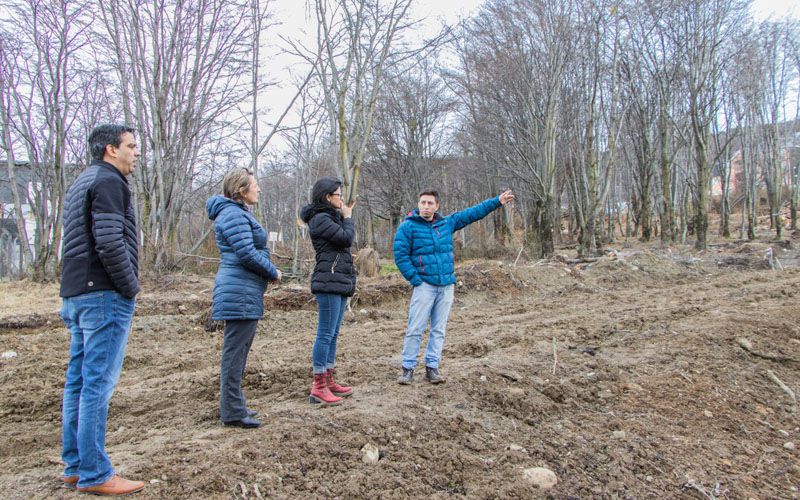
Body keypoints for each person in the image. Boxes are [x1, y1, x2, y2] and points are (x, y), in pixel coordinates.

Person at [59, 124, 145, 495]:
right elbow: (110, 241)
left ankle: (76, 465)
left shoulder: (83, 180)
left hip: (76, 291)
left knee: (78, 382)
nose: (137, 152)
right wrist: (130, 287)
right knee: (96, 384)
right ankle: (95, 473)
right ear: (111, 149)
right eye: (131, 145)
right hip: (103, 293)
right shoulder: (110, 182)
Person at [394, 189, 515, 385]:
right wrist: (416, 279)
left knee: (438, 329)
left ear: (437, 206)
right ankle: (407, 369)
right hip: (424, 285)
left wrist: (497, 202)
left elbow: (472, 213)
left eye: (430, 203)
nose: (426, 206)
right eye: (423, 203)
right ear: (418, 205)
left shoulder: (446, 223)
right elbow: (400, 256)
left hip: (446, 285)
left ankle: (432, 367)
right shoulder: (407, 227)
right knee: (415, 328)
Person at [206, 168, 281, 428]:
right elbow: (247, 253)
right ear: (241, 190)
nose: (258, 189)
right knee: (235, 354)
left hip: (245, 290)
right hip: (239, 291)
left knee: (239, 352)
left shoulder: (237, 213)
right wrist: (273, 272)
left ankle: (236, 407)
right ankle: (233, 412)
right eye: (255, 185)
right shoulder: (232, 214)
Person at [299, 178, 356, 406]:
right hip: (328, 281)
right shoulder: (320, 219)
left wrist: (343, 216)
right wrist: (348, 217)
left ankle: (329, 378)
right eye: (338, 195)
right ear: (327, 197)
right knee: (325, 333)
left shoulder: (330, 217)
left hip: (338, 280)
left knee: (332, 334)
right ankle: (318, 385)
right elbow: (346, 238)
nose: (341, 199)